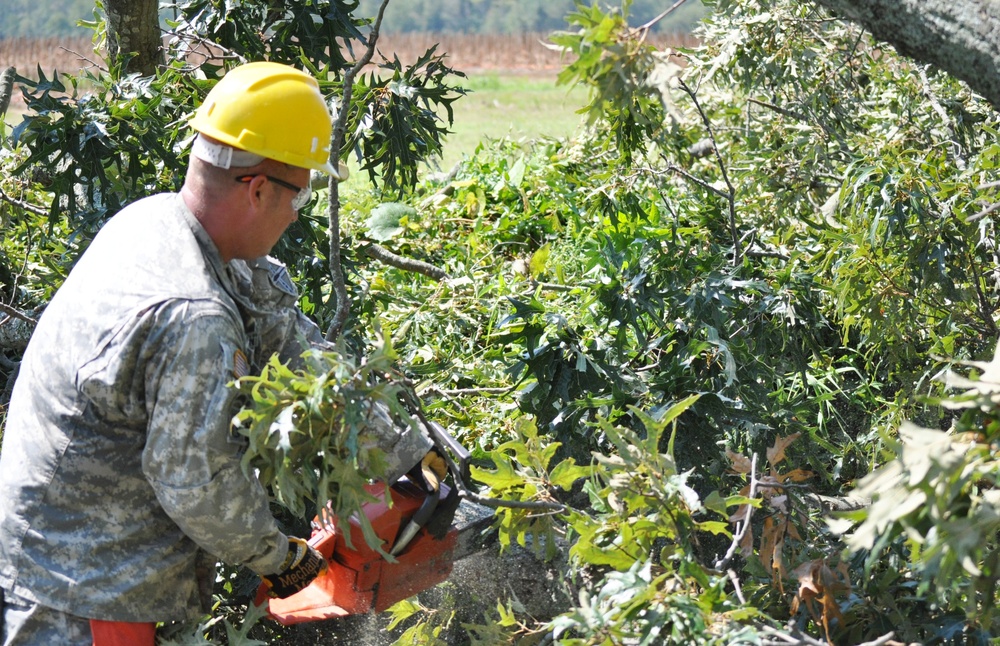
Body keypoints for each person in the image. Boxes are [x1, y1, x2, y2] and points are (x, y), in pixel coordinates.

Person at [0, 61, 435, 645]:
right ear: (258, 189)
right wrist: (282, 560)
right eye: (299, 200)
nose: (293, 216)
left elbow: (285, 335)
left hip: (86, 562)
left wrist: (403, 452)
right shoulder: (193, 316)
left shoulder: (161, 222)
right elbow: (195, 482)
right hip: (77, 589)